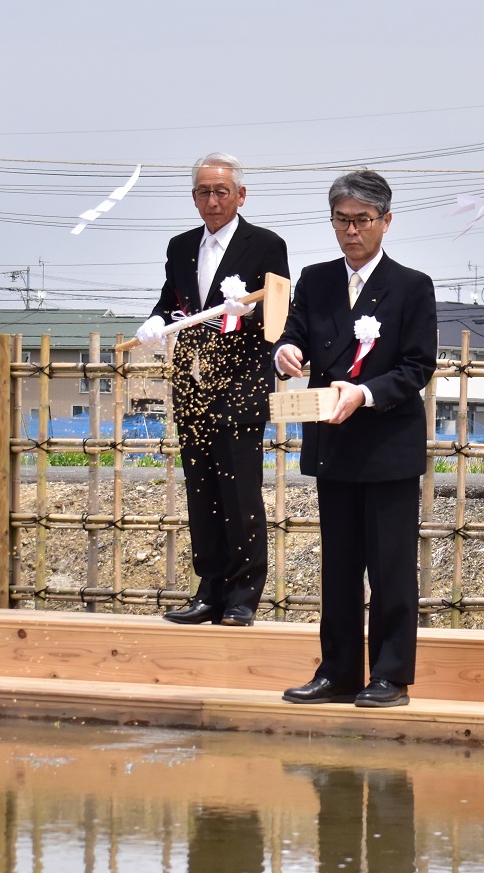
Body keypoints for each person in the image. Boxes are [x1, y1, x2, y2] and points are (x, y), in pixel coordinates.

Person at [276, 170, 437, 708]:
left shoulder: (412, 286)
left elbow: (417, 367)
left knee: (391, 568)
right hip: (332, 443)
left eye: (362, 221)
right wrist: (286, 351)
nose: (351, 232)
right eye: (341, 221)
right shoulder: (316, 278)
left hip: (386, 444)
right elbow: (295, 330)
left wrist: (364, 394)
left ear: (386, 222)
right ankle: (338, 670)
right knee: (339, 567)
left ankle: (391, 675)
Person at [137, 152, 289, 627]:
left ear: (240, 195)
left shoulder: (266, 244)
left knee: (240, 490)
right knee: (201, 488)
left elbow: (281, 310)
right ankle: (209, 588)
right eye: (204, 191)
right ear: (194, 197)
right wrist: (156, 321)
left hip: (241, 383)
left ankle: (243, 594)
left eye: (222, 191)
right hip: (193, 381)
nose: (213, 199)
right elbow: (172, 301)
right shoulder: (181, 245)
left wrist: (249, 315)